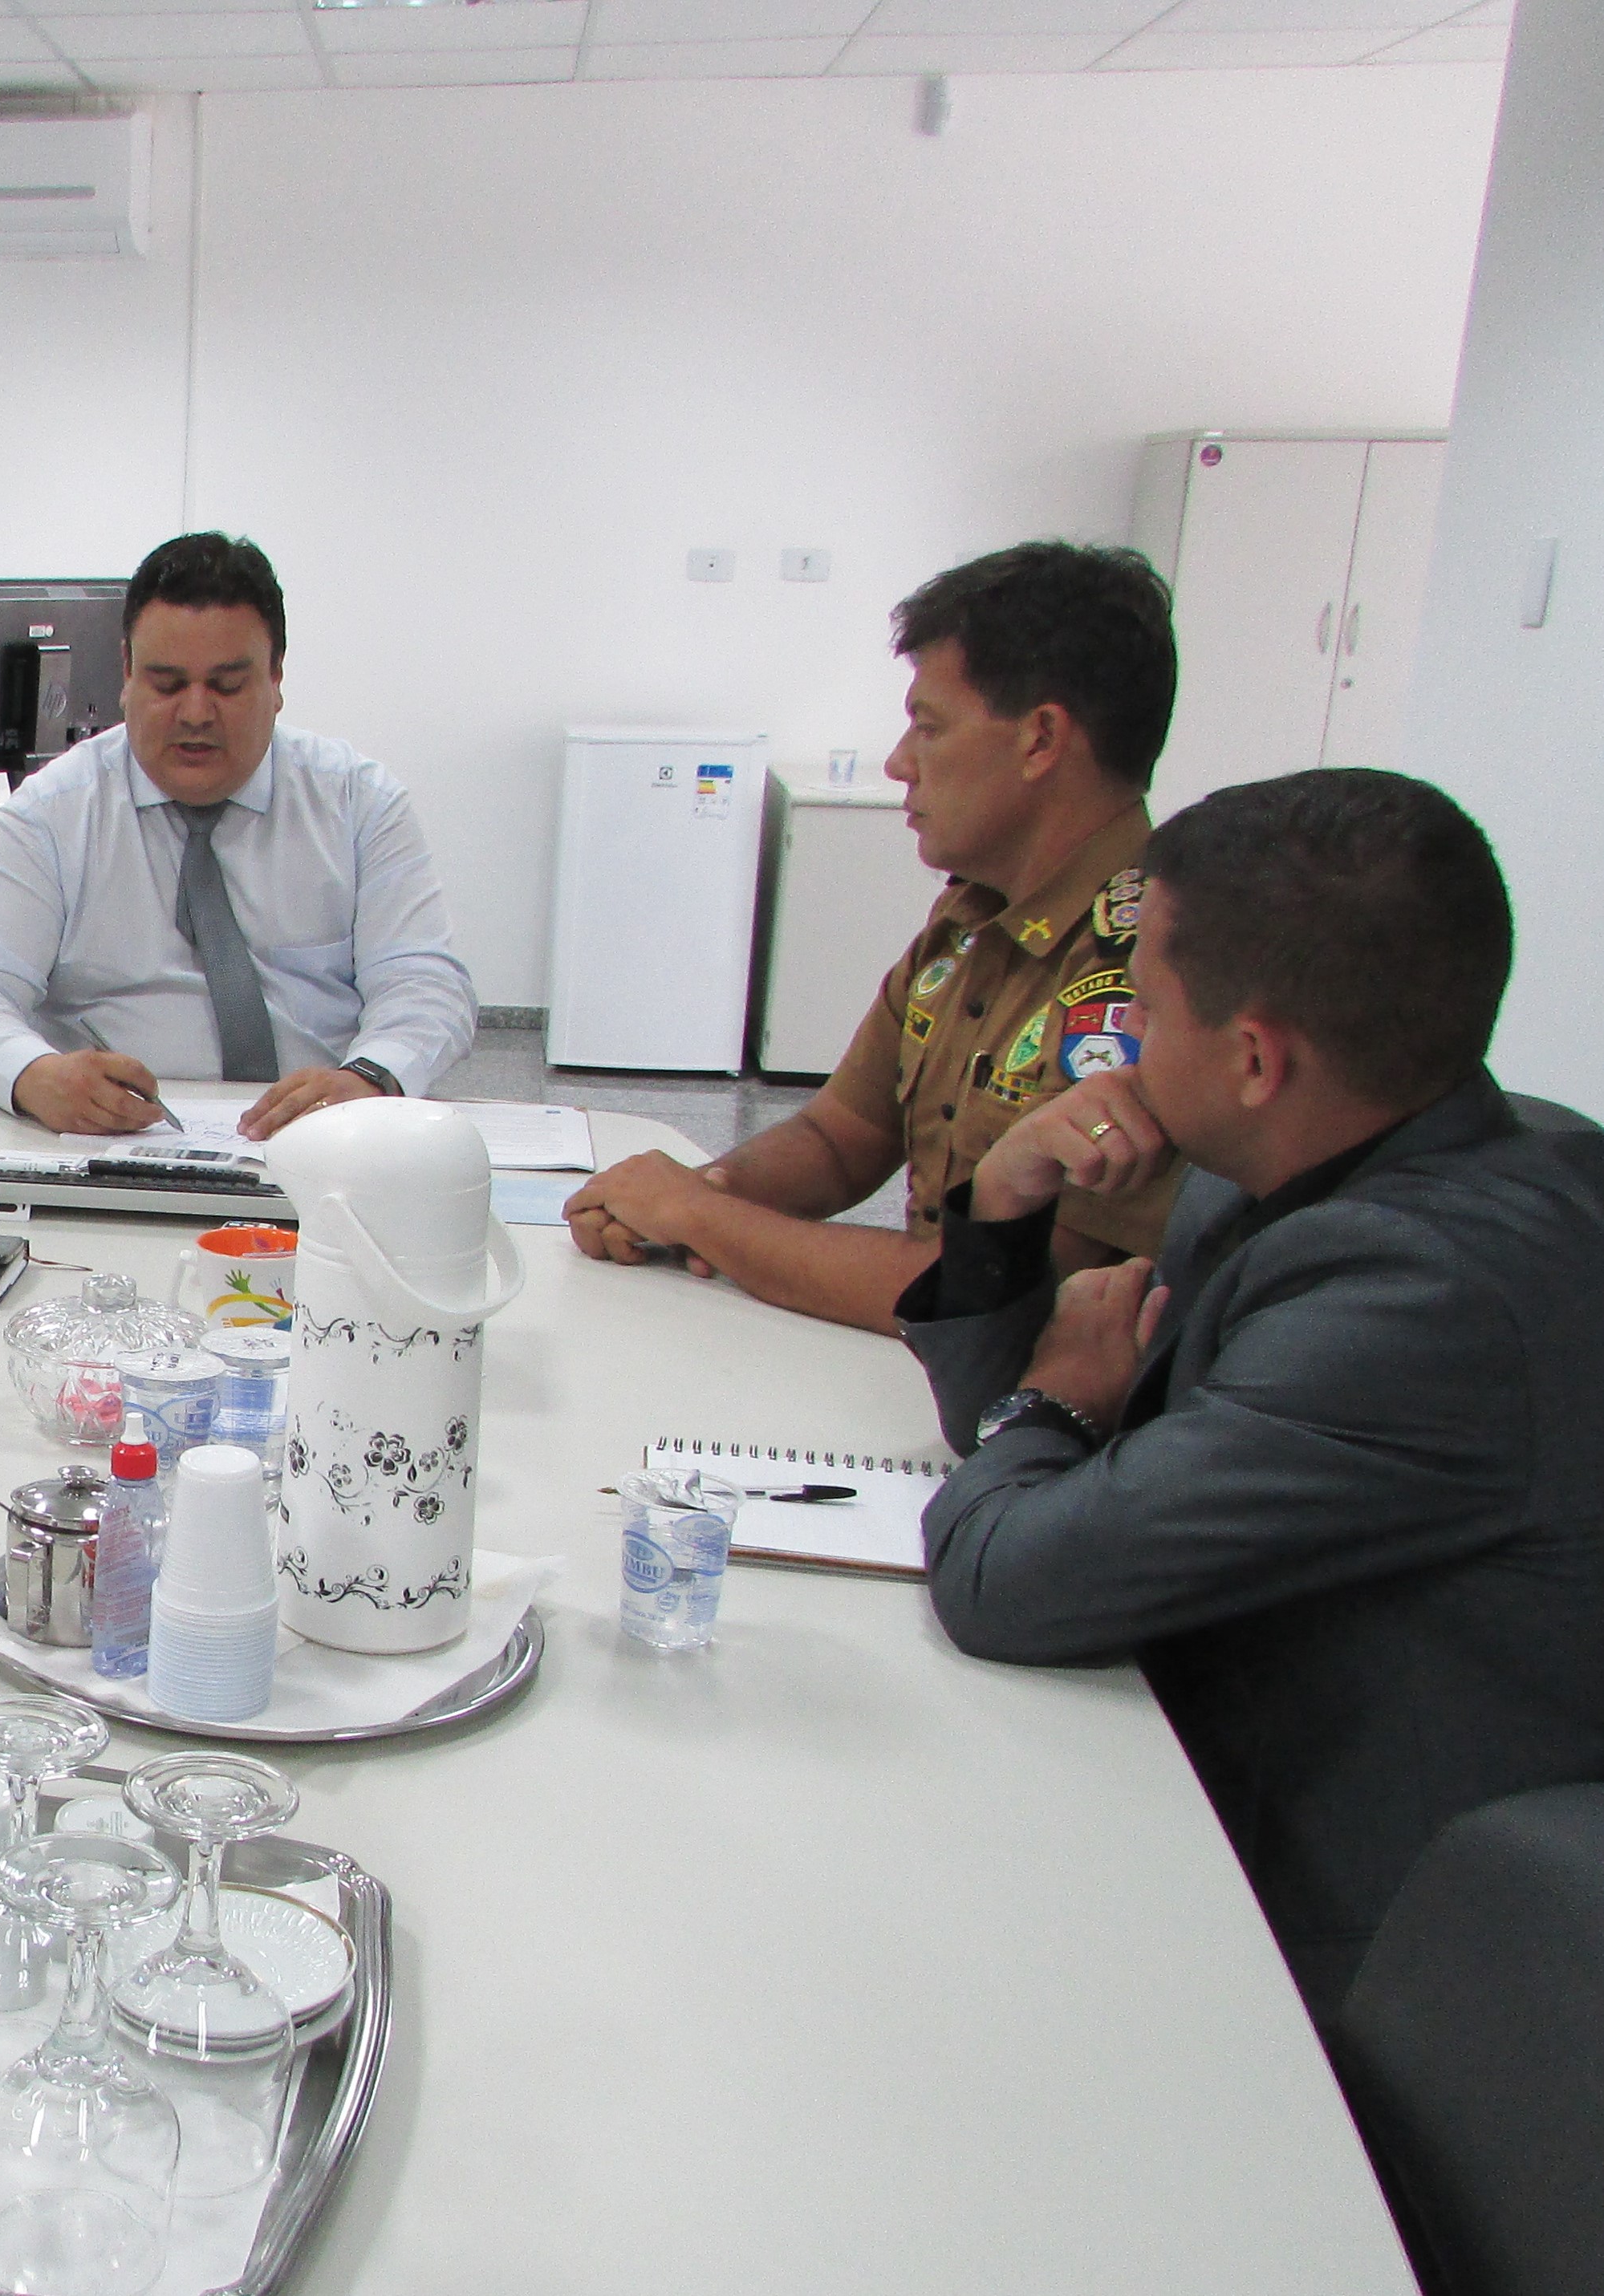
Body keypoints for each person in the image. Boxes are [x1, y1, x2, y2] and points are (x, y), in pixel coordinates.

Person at [894, 768, 1604, 2026]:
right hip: (1217, 1761)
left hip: (1372, 1953)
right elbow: (1008, 1429)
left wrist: (1056, 1406)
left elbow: (1007, 1577)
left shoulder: (1416, 1296)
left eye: (1147, 1013)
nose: (1118, 1045)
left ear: (1256, 1057)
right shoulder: (1311, 1164)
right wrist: (1006, 1199)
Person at [567, 542, 1185, 1330]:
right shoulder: (971, 919)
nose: (899, 762)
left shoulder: (1154, 973)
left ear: (1040, 740)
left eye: (929, 727)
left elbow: (1006, 1295)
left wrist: (703, 1217)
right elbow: (843, 1134)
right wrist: (689, 1199)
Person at [0, 532, 475, 1142]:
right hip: (112, 1146)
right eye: (167, 683)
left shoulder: (359, 803)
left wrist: (370, 1079)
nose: (196, 714)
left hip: (321, 1142)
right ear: (126, 674)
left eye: (228, 686)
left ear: (277, 677)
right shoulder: (52, 816)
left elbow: (426, 986)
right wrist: (34, 1075)